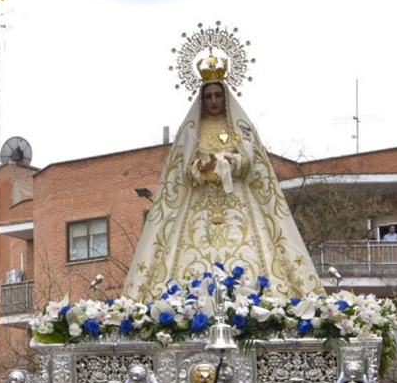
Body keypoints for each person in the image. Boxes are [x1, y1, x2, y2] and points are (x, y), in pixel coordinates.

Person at [123, 55, 322, 301]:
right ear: (201, 100)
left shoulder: (241, 127)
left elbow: (251, 160)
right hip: (200, 206)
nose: (214, 101)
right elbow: (182, 168)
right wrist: (201, 167)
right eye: (208, 96)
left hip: (238, 200)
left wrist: (232, 162)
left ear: (225, 96)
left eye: (218, 95)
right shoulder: (191, 130)